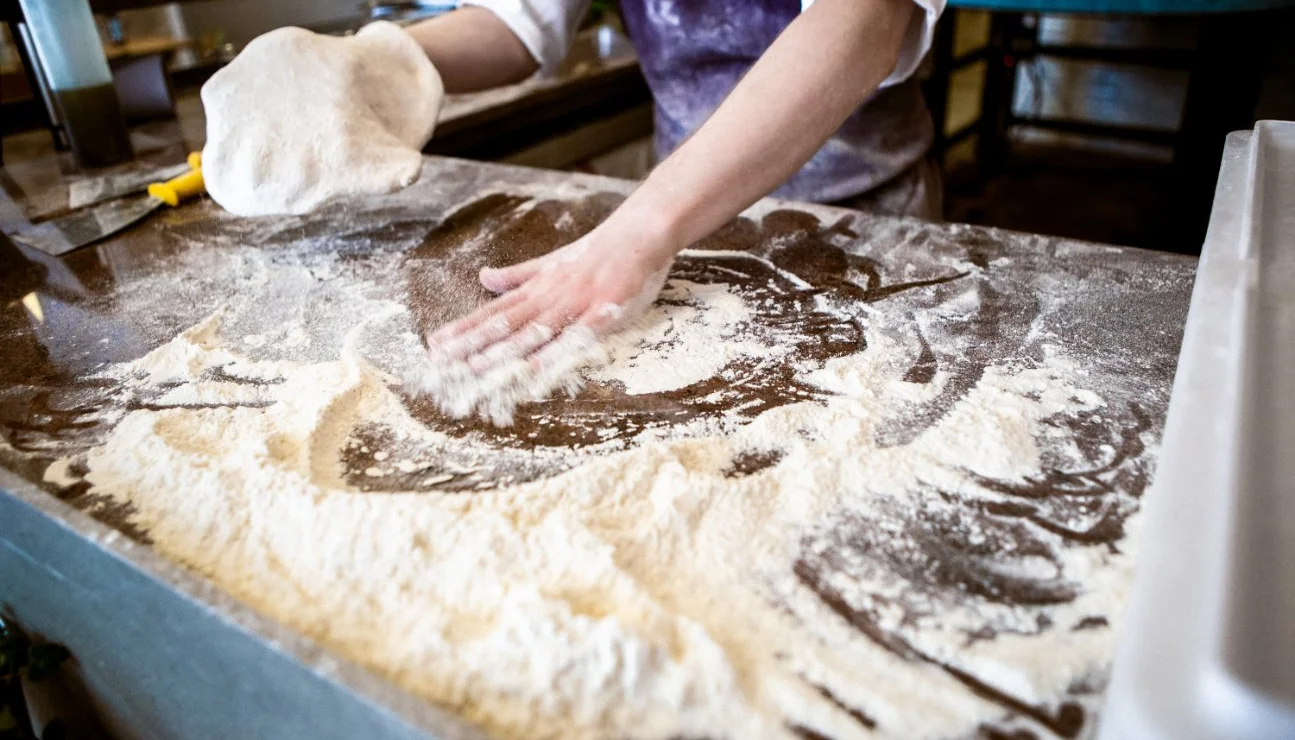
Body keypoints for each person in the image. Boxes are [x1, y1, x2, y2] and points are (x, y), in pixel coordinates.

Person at [409, 0, 944, 371]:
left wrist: (644, 224)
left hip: (863, 213)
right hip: (684, 229)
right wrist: (380, 58)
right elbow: (511, 25)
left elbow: (867, 19)